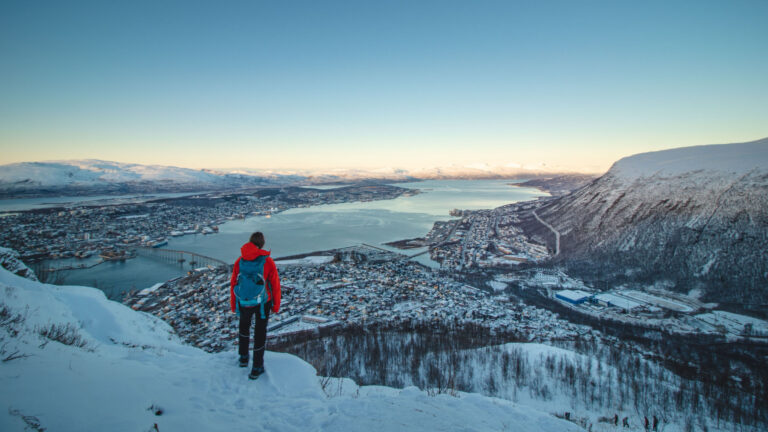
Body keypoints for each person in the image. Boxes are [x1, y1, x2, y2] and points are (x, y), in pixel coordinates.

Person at [230, 232, 281, 379]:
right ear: (262, 244)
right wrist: (276, 305)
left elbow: (234, 284)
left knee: (244, 327)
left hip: (244, 300)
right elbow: (275, 285)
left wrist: (234, 304)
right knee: (260, 332)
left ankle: (243, 358)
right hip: (262, 303)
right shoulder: (267, 261)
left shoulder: (240, 261)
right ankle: (257, 367)